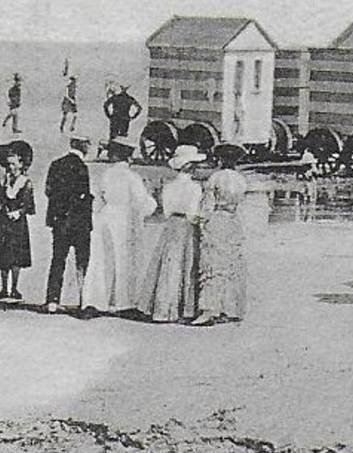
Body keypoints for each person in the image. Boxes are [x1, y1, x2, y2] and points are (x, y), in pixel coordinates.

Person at [81, 139, 156, 315]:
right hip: (124, 218)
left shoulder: (106, 174)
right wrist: (152, 204)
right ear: (129, 156)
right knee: (124, 260)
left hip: (105, 216)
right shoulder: (132, 177)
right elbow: (142, 202)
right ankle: (124, 303)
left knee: (101, 259)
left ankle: (95, 301)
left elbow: (98, 197)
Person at [134, 145, 206, 323]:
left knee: (168, 263)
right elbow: (193, 212)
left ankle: (163, 307)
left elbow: (165, 211)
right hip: (187, 226)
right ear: (190, 166)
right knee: (187, 264)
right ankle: (185, 308)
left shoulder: (169, 187)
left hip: (171, 225)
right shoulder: (195, 188)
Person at [192, 146, 251, 325]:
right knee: (231, 261)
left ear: (220, 159)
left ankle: (209, 309)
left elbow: (208, 204)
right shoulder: (241, 180)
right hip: (233, 219)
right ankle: (230, 307)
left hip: (217, 219)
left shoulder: (215, 178)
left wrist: (200, 219)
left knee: (211, 262)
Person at [42, 135, 94, 313]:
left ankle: (52, 300)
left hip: (59, 221)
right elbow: (84, 196)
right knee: (82, 261)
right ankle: (83, 299)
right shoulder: (82, 168)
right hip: (78, 223)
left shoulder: (55, 164)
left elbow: (48, 190)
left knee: (58, 260)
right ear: (83, 147)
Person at [0, 140, 35, 301]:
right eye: (9, 165)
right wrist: (0, 186)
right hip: (3, 220)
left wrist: (19, 212)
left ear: (22, 164)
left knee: (15, 256)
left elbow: (29, 205)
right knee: (2, 254)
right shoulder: (3, 180)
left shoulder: (26, 182)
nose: (11, 168)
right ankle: (3, 287)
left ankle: (14, 288)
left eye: (14, 164)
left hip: (17, 222)